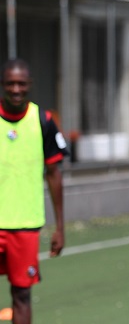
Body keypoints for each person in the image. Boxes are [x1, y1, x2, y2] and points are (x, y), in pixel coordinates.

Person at [0, 58, 68, 324]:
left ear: (29, 85)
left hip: (26, 227)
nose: (16, 89)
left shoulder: (44, 121)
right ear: (2, 85)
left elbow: (54, 174)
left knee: (22, 295)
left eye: (21, 84)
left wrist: (60, 227)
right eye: (10, 83)